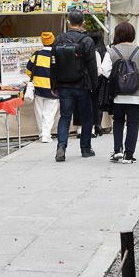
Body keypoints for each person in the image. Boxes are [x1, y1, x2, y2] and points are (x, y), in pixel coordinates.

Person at [100, 21, 139, 164]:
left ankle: (118, 151)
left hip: (117, 94)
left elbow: (104, 70)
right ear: (133, 34)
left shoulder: (112, 51)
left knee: (118, 121)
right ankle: (129, 155)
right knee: (133, 123)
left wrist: (116, 77)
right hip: (136, 94)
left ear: (117, 35)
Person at [50, 9, 99, 162]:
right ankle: (85, 148)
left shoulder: (58, 39)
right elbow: (92, 66)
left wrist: (54, 84)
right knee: (86, 117)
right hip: (83, 85)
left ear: (68, 22)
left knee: (65, 117)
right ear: (83, 23)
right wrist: (94, 85)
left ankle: (61, 146)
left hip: (64, 85)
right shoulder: (87, 41)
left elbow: (53, 64)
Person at [25, 32, 59, 143]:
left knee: (39, 112)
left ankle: (42, 134)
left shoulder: (36, 55)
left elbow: (28, 71)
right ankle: (46, 135)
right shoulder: (56, 55)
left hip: (38, 88)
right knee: (49, 113)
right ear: (53, 41)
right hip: (53, 89)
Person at [87, 29, 108, 137]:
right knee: (99, 102)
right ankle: (99, 125)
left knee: (91, 103)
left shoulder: (93, 50)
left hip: (94, 79)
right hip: (103, 79)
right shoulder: (104, 50)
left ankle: (93, 127)